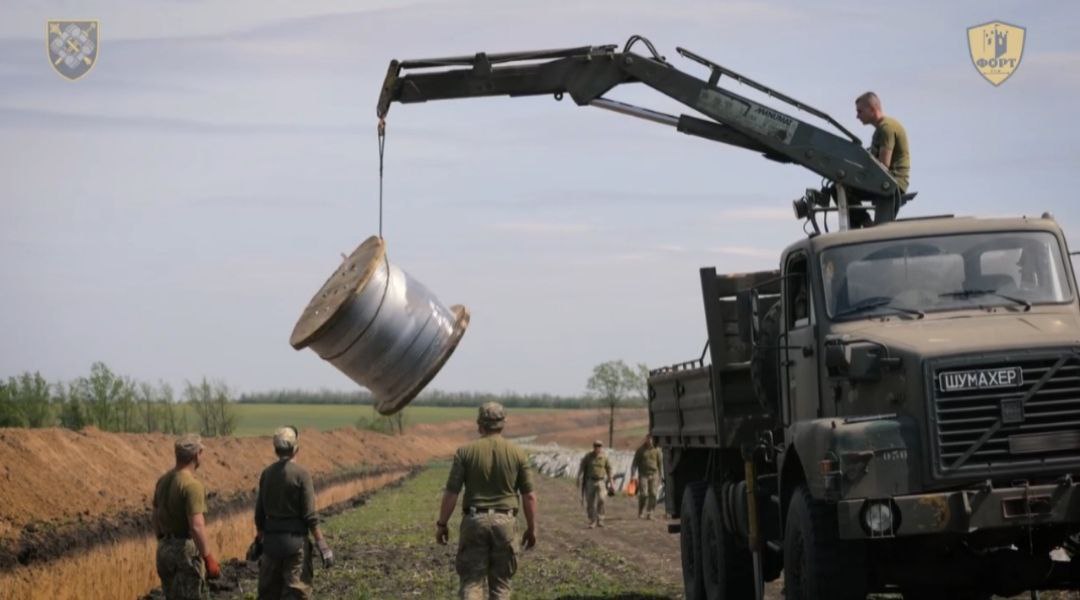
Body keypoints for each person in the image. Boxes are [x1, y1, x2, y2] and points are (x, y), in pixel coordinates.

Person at [436, 402, 538, 600]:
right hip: (506, 523)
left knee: (472, 583)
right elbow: (530, 496)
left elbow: (451, 492)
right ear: (503, 423)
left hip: (474, 521)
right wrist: (532, 528)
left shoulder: (465, 452)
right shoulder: (518, 453)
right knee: (501, 586)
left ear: (479, 424)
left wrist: (442, 524)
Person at [254, 426, 334, 600]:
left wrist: (259, 539)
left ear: (275, 450)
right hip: (295, 544)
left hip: (271, 545)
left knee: (269, 594)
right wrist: (323, 546)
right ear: (296, 449)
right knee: (295, 592)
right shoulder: (301, 475)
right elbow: (310, 516)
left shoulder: (266, 474)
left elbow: (259, 514)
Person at [152, 434, 220, 600]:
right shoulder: (192, 486)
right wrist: (208, 557)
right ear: (196, 455)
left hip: (163, 550)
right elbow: (197, 526)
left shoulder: (162, 481)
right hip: (184, 552)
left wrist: (163, 539)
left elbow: (155, 515)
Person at [577, 440, 613, 528]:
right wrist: (579, 477)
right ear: (594, 447)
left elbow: (609, 469)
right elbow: (582, 466)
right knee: (590, 502)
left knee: (602, 499)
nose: (598, 448)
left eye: (600, 446)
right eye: (596, 446)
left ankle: (600, 519)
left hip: (601, 481)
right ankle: (592, 520)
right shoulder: (588, 457)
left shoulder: (604, 457)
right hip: (590, 481)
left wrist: (611, 482)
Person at [630, 437, 663, 520]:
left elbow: (660, 464)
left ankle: (650, 513)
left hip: (654, 474)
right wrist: (633, 475)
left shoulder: (657, 450)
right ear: (646, 440)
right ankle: (640, 511)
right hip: (643, 474)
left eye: (651, 439)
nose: (650, 441)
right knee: (644, 494)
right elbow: (634, 463)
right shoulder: (640, 450)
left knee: (654, 494)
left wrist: (661, 475)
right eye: (648, 439)